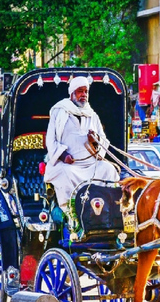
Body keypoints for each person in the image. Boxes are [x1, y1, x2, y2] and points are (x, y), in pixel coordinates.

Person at [43, 76, 119, 212]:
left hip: (92, 165)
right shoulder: (59, 111)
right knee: (64, 174)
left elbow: (103, 140)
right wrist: (63, 155)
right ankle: (71, 214)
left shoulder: (92, 115)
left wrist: (94, 141)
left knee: (109, 170)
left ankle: (109, 210)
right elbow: (50, 140)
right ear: (72, 93)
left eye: (86, 91)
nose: (84, 95)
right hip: (69, 166)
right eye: (80, 91)